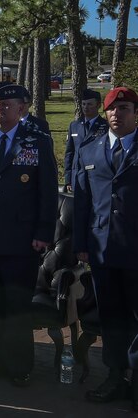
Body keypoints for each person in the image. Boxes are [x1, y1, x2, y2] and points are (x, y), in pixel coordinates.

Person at [0, 83, 57, 387]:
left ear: (22, 109)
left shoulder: (38, 142)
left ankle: (20, 367)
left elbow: (47, 192)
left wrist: (43, 232)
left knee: (17, 308)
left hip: (21, 240)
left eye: (7, 105)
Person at [73, 86, 138, 409]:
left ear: (135, 114)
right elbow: (82, 204)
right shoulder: (89, 151)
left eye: (124, 108)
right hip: (102, 252)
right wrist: (81, 245)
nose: (117, 114)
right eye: (113, 109)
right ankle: (115, 376)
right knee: (112, 318)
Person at [63, 88, 107, 192]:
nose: (85, 107)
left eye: (89, 104)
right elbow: (70, 153)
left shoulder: (105, 126)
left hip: (97, 177)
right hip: (77, 176)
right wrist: (68, 179)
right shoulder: (74, 126)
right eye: (83, 104)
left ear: (98, 105)